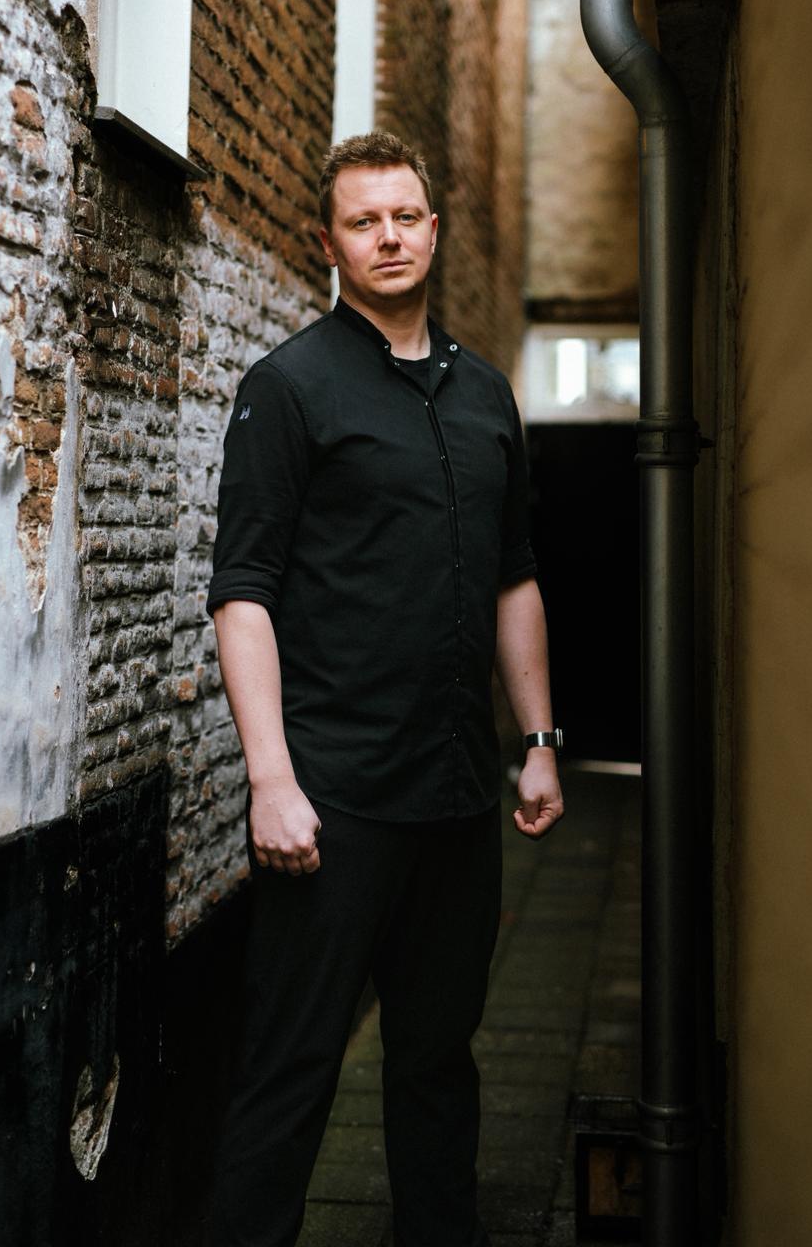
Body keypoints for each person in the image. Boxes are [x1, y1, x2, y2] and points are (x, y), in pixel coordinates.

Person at [205, 130, 563, 1247]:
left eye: (405, 216)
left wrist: (539, 739)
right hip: (335, 803)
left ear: (434, 229)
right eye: (364, 222)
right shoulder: (290, 389)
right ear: (330, 243)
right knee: (291, 1072)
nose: (389, 237)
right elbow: (243, 594)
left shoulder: (486, 394)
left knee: (438, 1064)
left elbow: (514, 579)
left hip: (456, 797)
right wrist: (271, 780)